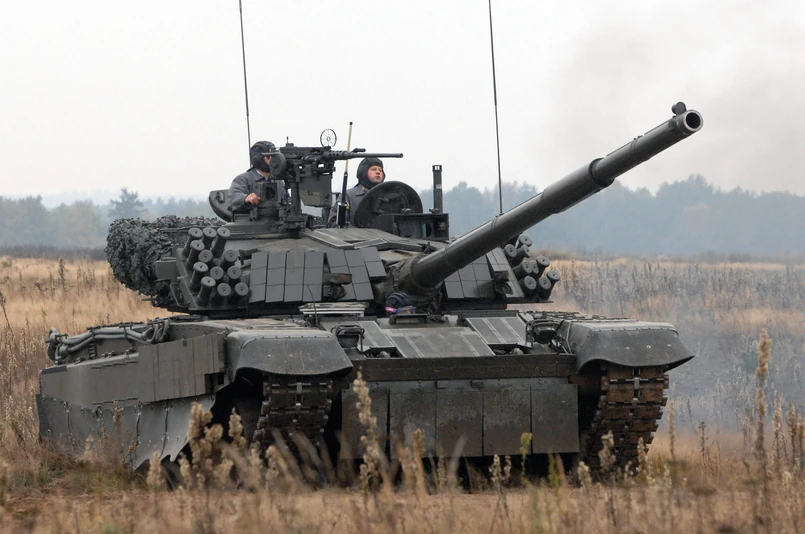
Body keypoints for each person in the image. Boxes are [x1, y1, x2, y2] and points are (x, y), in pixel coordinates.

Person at [327, 157, 385, 227]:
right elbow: (334, 223)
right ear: (364, 172)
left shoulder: (388, 196)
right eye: (373, 169)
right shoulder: (349, 196)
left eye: (380, 170)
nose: (378, 172)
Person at [228, 140, 278, 212]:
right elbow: (233, 196)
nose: (273, 159)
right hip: (251, 217)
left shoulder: (278, 181)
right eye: (269, 156)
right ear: (259, 158)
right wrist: (246, 198)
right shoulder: (244, 179)